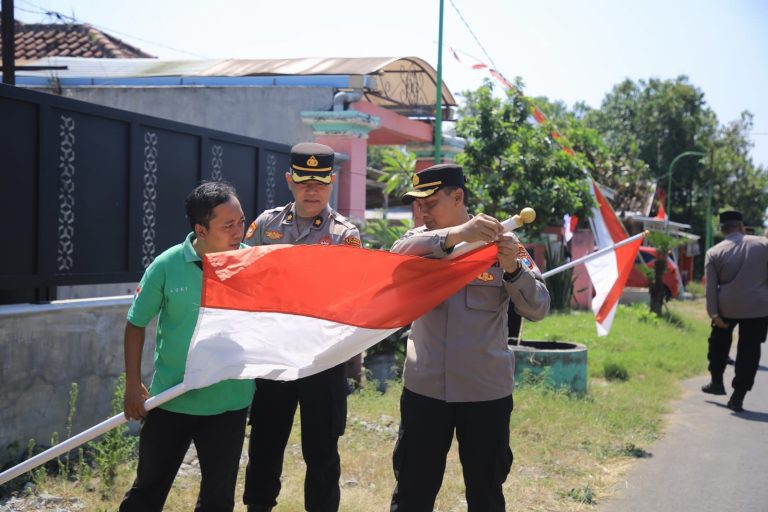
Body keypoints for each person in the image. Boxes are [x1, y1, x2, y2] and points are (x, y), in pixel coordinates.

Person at [389, 163, 550, 512]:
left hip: (485, 393)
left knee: (486, 493)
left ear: (458, 196)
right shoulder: (420, 243)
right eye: (419, 205)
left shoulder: (503, 243)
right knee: (412, 493)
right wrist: (457, 234)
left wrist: (512, 269)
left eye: (430, 203)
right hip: (426, 390)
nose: (423, 211)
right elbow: (394, 256)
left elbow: (538, 307)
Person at [120, 181, 255, 511]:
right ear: (201, 229)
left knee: (218, 498)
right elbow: (136, 324)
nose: (238, 231)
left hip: (229, 402)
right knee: (148, 490)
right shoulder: (166, 266)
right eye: (228, 225)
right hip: (172, 399)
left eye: (240, 222)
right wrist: (133, 385)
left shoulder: (251, 264)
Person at [243, 142, 361, 512]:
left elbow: (351, 296)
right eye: (304, 181)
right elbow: (244, 278)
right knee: (264, 445)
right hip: (274, 359)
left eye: (320, 183)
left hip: (322, 361)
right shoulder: (265, 225)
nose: (312, 190)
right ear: (290, 180)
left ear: (331, 183)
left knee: (322, 452)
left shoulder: (345, 235)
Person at [701, 210, 768, 412]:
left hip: (726, 308)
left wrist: (714, 314)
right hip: (758, 308)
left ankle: (717, 382)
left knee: (718, 344)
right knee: (749, 351)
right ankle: (738, 396)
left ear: (722, 230)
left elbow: (710, 289)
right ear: (741, 226)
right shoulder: (763, 245)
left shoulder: (714, 252)